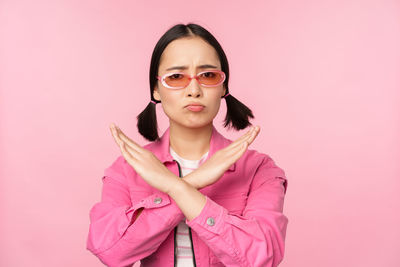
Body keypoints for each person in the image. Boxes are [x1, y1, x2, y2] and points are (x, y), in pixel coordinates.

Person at [86, 23, 289, 267]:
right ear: (156, 89)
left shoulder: (259, 169)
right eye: (176, 77)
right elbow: (110, 252)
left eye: (208, 75)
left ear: (223, 86)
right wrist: (189, 185)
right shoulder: (127, 170)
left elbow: (261, 258)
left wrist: (176, 187)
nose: (194, 90)